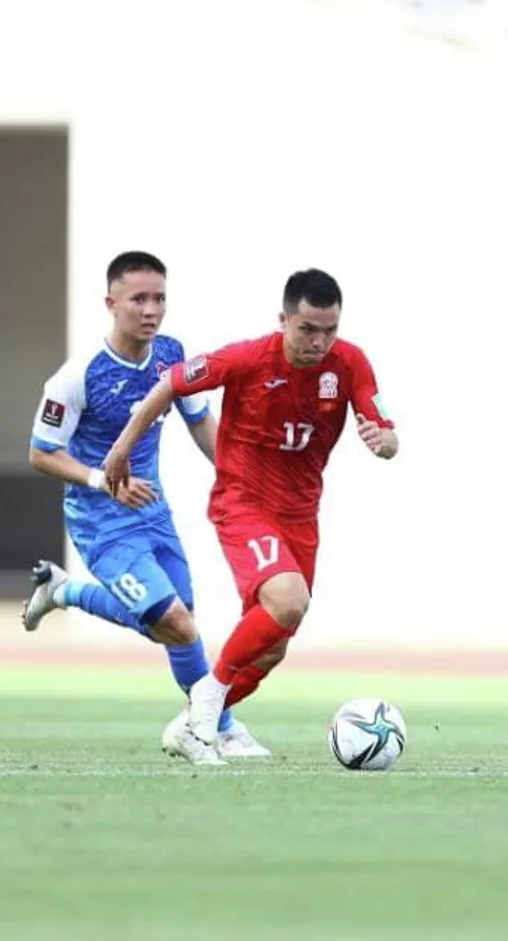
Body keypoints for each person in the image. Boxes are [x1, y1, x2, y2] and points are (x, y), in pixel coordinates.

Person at [101, 269, 399, 764]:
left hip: (301, 515)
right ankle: (207, 702)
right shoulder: (246, 359)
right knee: (289, 600)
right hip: (243, 502)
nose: (319, 342)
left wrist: (381, 440)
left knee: (274, 645)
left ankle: (191, 725)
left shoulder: (349, 364)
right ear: (284, 320)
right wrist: (121, 449)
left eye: (329, 330)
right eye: (307, 329)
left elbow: (388, 436)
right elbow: (170, 383)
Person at [19, 250, 270, 761]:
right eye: (138, 299)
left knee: (176, 626)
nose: (151, 310)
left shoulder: (171, 355)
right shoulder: (78, 376)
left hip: (153, 512)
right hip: (100, 521)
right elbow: (41, 453)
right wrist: (102, 481)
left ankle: (63, 591)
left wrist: (240, 478)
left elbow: (199, 420)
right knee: (177, 623)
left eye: (159, 298)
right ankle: (217, 729)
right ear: (111, 303)